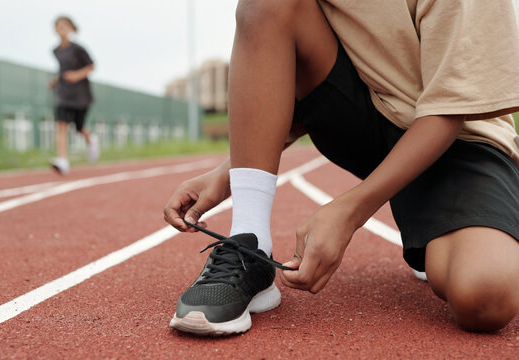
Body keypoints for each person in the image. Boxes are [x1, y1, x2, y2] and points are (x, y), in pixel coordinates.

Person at [164, 0, 519, 335]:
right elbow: (308, 78)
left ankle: (464, 228)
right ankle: (249, 243)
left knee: (486, 297)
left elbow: (451, 108)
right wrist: (230, 174)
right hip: (370, 117)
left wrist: (348, 213)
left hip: (460, 140)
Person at [49, 16, 99, 175]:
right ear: (55, 30)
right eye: (58, 26)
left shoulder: (78, 49)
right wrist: (56, 81)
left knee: (79, 127)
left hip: (80, 95)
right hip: (63, 94)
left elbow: (91, 66)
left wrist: (76, 76)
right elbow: (63, 70)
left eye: (65, 26)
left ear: (71, 28)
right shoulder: (55, 51)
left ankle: (90, 138)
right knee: (61, 125)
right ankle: (63, 161)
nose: (61, 29)